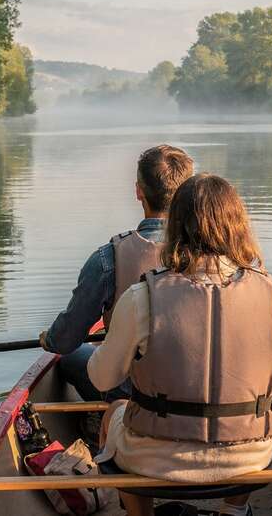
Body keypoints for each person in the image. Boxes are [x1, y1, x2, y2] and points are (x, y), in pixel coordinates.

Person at [89, 174, 272, 516]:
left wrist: (119, 339)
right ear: (238, 226)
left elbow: (101, 380)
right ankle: (235, 510)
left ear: (175, 228)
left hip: (155, 458)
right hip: (250, 457)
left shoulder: (141, 298)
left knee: (114, 410)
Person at [39, 144, 194, 401]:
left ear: (138, 191)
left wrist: (52, 340)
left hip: (132, 394)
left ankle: (102, 419)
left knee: (68, 355)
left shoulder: (108, 259)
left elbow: (67, 339)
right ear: (187, 195)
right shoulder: (211, 253)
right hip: (195, 386)